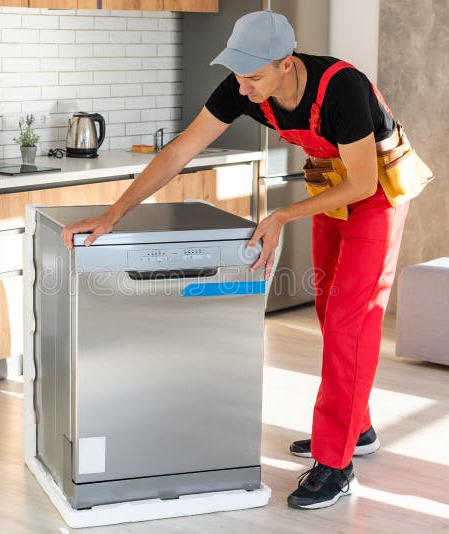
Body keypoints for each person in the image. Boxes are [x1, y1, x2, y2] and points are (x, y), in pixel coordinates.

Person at [62, 10, 418, 510]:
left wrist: (281, 215)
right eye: (238, 75)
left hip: (376, 198)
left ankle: (336, 465)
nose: (244, 89)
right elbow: (180, 151)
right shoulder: (243, 88)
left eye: (254, 77)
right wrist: (113, 214)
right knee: (329, 315)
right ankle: (354, 430)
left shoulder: (343, 88)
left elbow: (362, 182)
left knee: (348, 324)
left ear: (287, 65)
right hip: (329, 195)